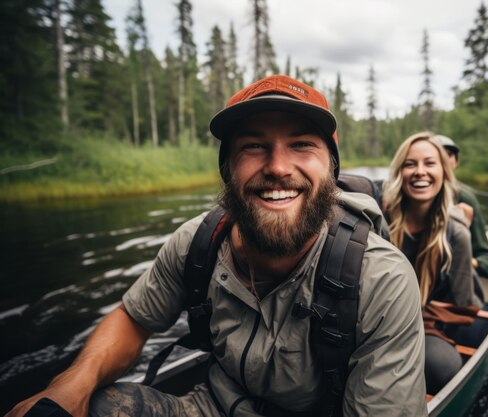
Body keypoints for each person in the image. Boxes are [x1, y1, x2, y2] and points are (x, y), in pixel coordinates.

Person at [6, 75, 428, 417]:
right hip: (212, 406)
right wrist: (70, 386)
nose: (278, 167)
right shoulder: (198, 242)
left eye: (302, 144)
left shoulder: (381, 279)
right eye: (253, 146)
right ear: (228, 170)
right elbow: (134, 319)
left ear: (331, 170)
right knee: (97, 407)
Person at [382, 131, 482, 395]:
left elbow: (462, 303)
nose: (419, 171)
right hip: (376, 316)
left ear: (444, 172)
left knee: (443, 366)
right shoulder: (380, 218)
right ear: (399, 172)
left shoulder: (457, 233)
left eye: (429, 163)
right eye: (410, 164)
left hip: (424, 322)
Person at [434, 135, 488, 279]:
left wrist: (462, 260)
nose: (444, 158)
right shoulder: (408, 196)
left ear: (456, 161)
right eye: (438, 153)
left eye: (449, 154)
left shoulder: (465, 198)